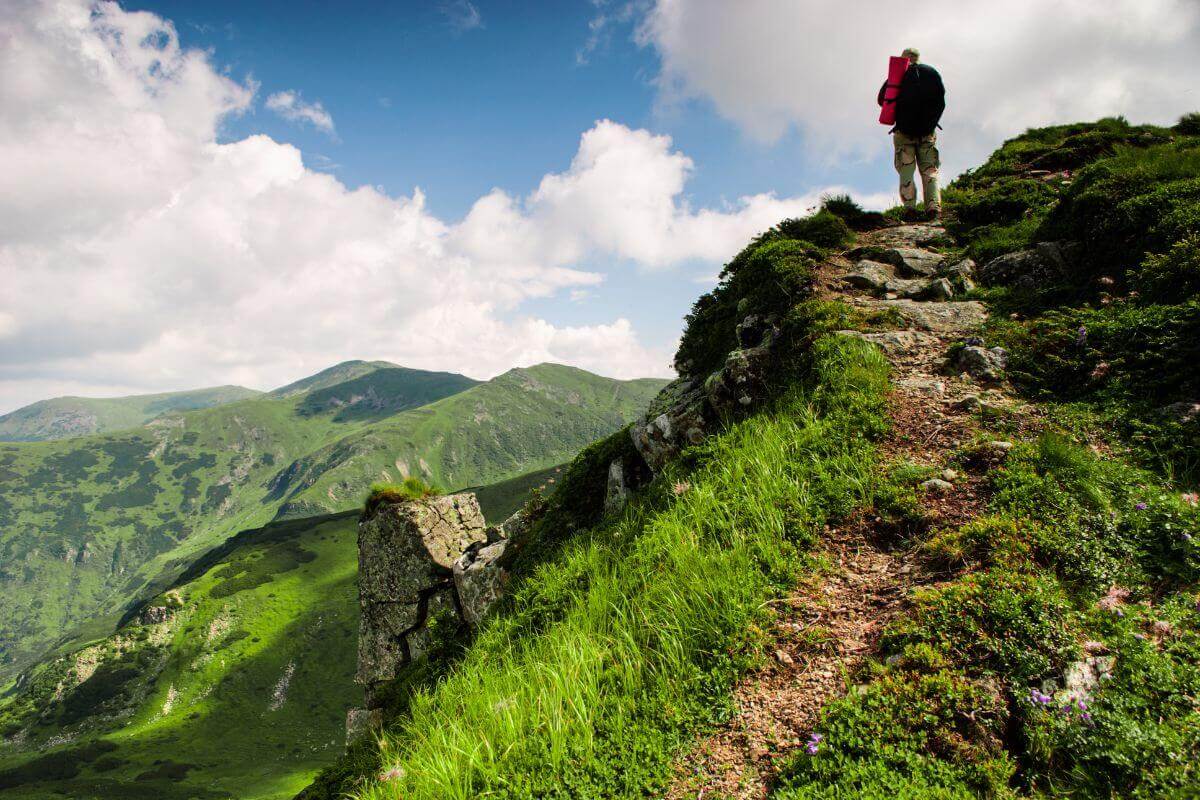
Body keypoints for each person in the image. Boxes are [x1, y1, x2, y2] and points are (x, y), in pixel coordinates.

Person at [878, 47, 945, 220]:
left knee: (906, 170)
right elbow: (941, 101)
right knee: (930, 170)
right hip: (927, 132)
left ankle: (910, 208)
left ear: (904, 59)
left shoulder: (897, 75)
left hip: (903, 132)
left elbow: (882, 100)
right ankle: (933, 208)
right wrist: (931, 121)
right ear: (918, 58)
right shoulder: (932, 73)